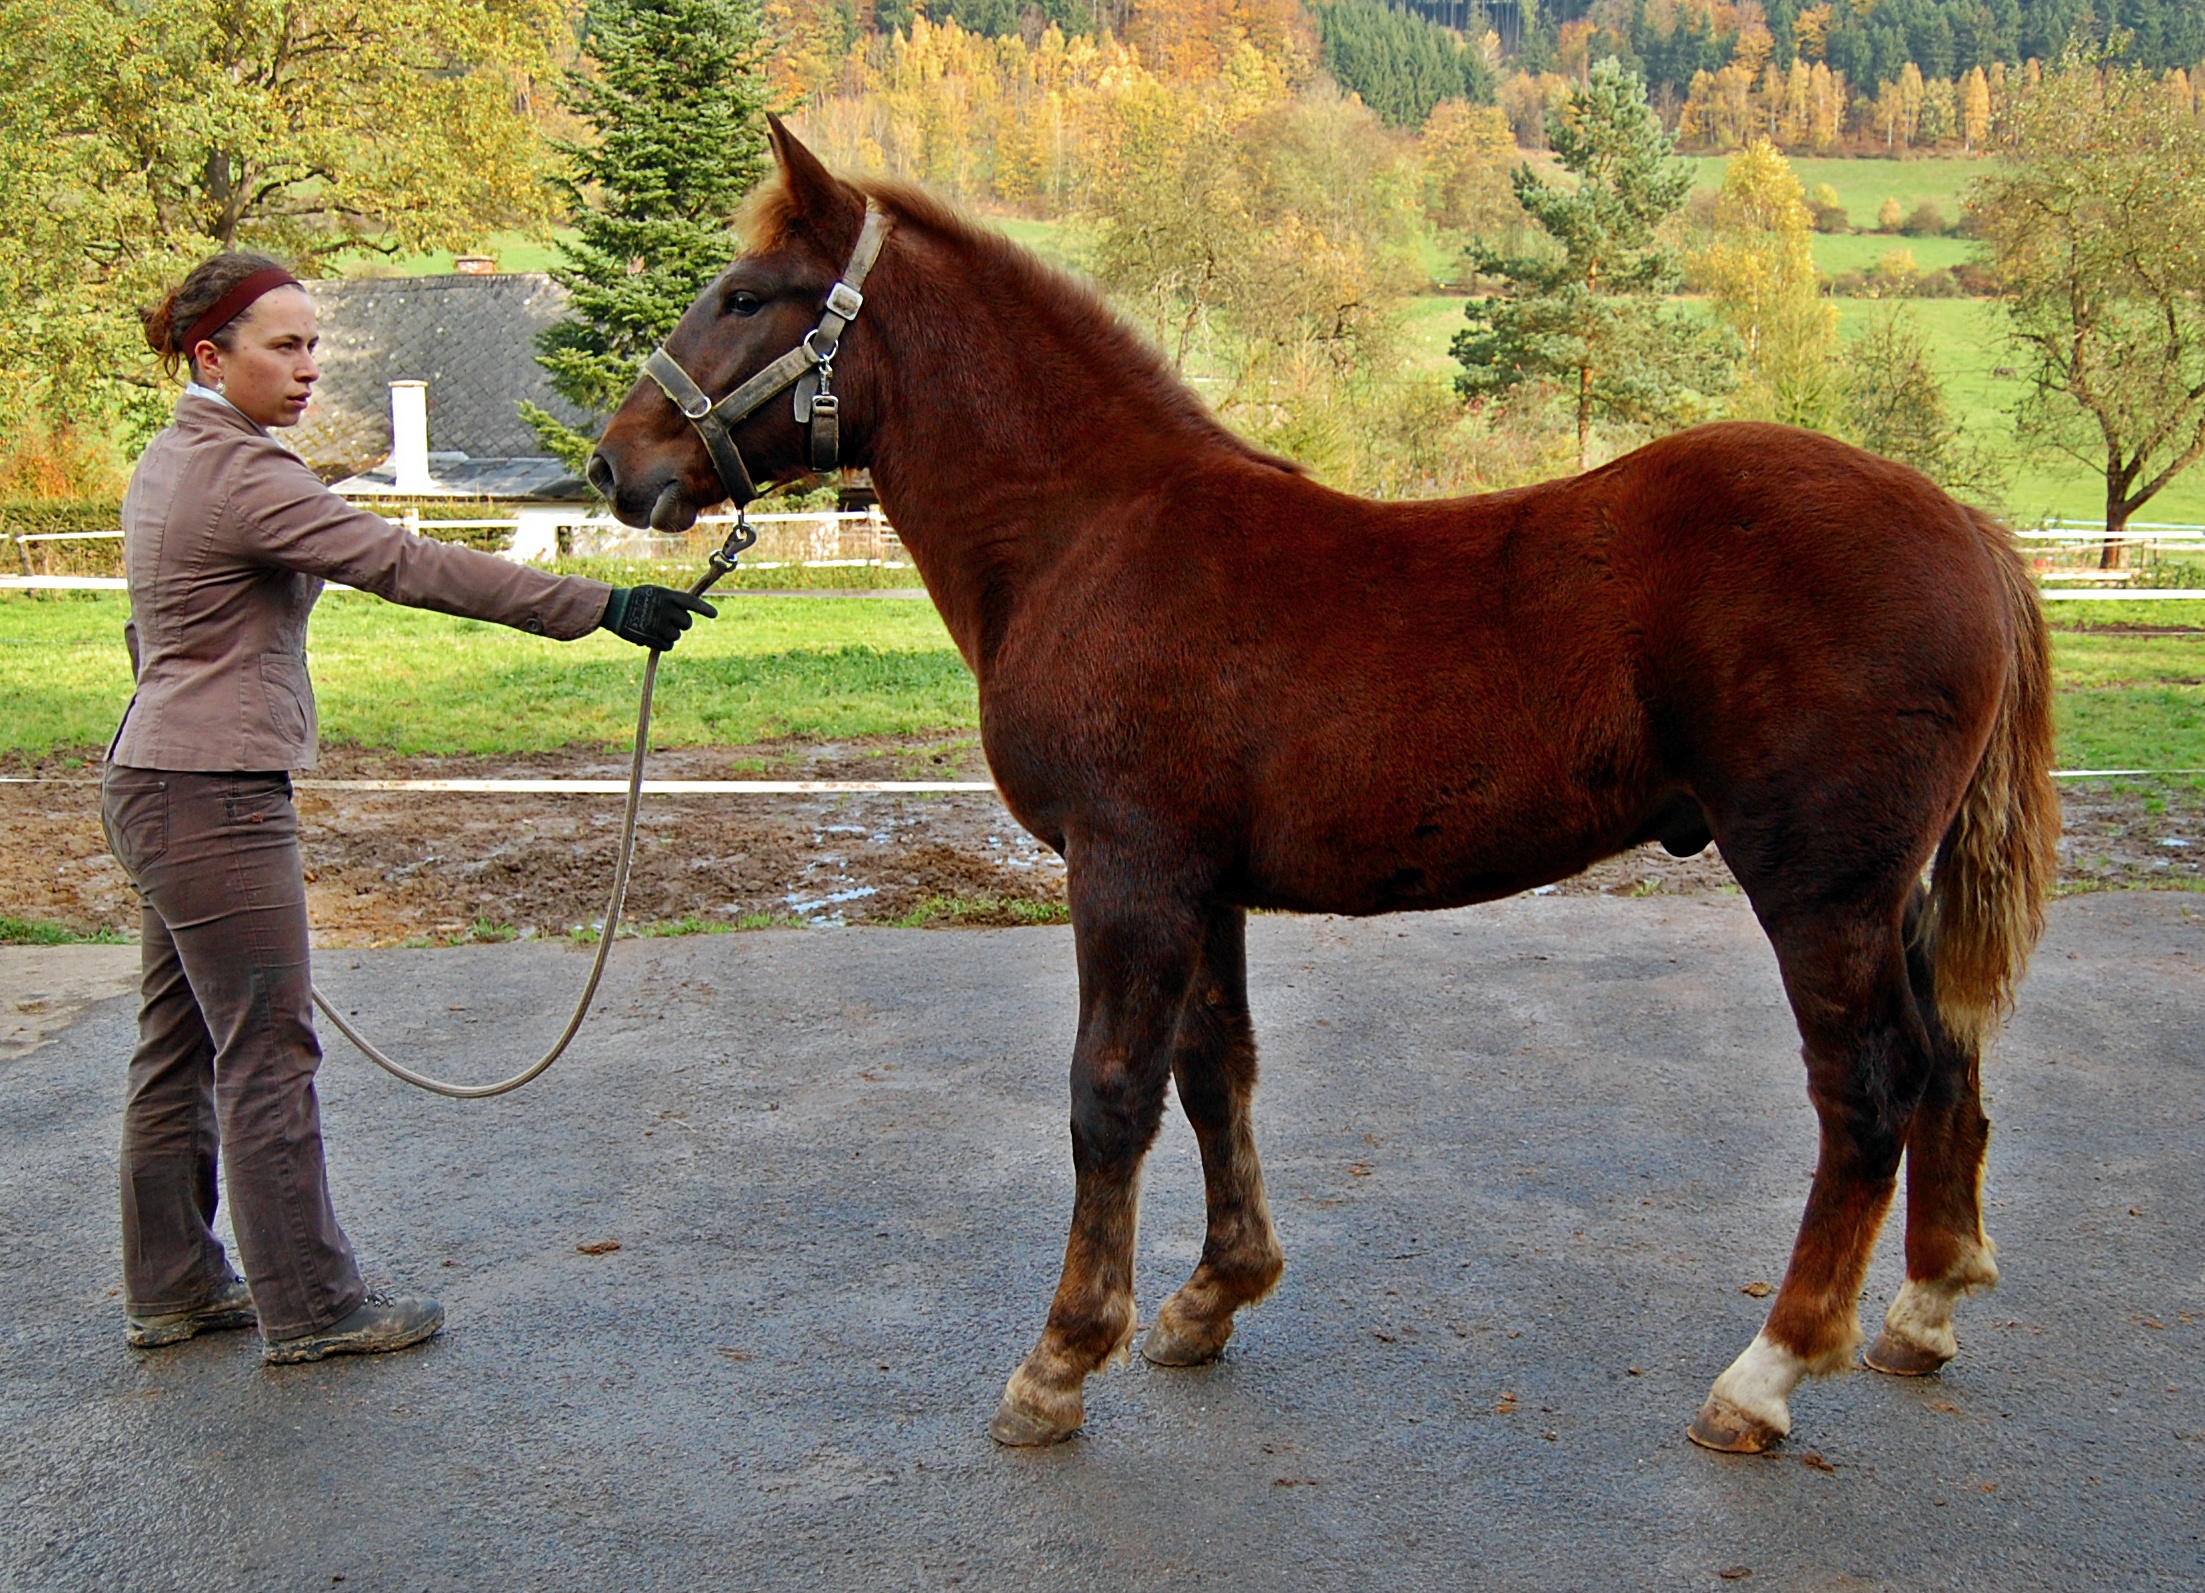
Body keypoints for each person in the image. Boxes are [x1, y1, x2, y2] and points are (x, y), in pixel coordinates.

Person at [105, 252, 714, 1364]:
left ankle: (177, 1284)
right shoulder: (246, 475)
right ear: (210, 356)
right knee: (266, 1050)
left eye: (312, 344)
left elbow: (152, 639)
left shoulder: (173, 459)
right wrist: (602, 603)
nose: (308, 368)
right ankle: (312, 1305)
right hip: (215, 801)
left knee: (180, 1042)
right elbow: (405, 562)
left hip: (155, 783)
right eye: (282, 346)